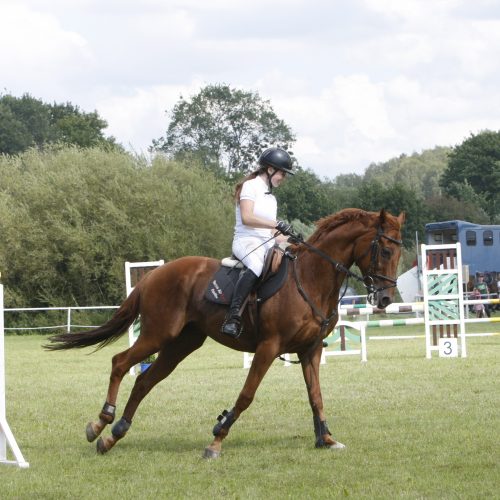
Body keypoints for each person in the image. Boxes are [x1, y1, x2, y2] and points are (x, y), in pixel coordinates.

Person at [221, 147, 295, 338]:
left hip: (266, 242)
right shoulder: (250, 186)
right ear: (270, 170)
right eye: (282, 174)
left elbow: (272, 232)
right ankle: (233, 316)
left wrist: (290, 239)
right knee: (257, 264)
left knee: (290, 260)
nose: (283, 178)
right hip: (246, 240)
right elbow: (247, 217)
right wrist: (277, 224)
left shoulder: (271, 198)